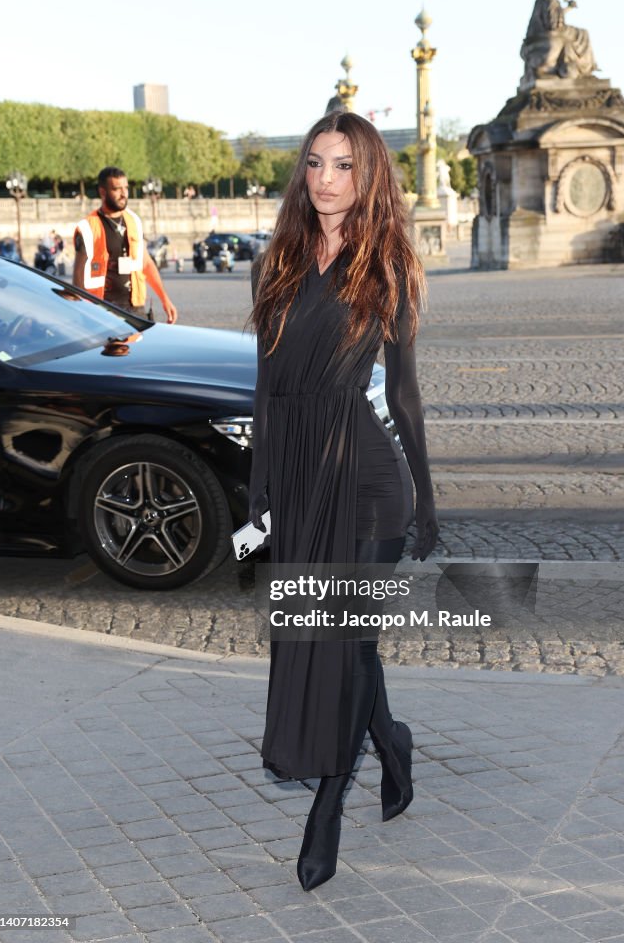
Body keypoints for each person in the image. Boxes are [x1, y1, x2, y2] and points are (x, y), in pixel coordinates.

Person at [249, 111, 438, 891]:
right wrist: (259, 488)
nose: (324, 180)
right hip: (296, 474)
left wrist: (425, 499)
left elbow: (403, 391)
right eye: (314, 164)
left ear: (368, 178)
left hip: (365, 477)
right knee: (330, 635)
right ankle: (390, 739)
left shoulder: (386, 261)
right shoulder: (278, 262)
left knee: (349, 637)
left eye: (343, 166)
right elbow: (262, 384)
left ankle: (328, 801)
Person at [73, 167, 177, 322]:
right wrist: (82, 312)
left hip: (135, 307)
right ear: (103, 192)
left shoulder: (134, 220)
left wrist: (165, 299)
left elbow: (146, 263)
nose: (124, 194)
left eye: (126, 188)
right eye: (117, 189)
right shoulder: (88, 227)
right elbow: (78, 276)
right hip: (102, 309)